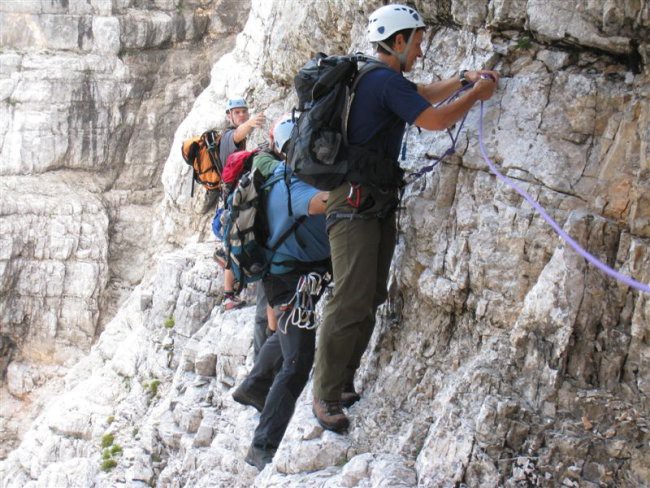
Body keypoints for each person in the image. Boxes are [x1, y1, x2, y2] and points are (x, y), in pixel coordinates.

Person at [311, 4, 499, 432]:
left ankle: (341, 383)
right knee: (349, 299)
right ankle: (324, 394)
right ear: (398, 41)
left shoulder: (381, 81)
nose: (420, 49)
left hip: (369, 202)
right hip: (356, 205)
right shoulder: (383, 81)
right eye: (416, 41)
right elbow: (432, 119)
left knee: (371, 293)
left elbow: (420, 95)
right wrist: (474, 96)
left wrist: (461, 80)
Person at [231, 115, 331, 470]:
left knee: (284, 334)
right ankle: (262, 445)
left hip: (289, 276)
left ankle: (255, 384)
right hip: (291, 281)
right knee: (298, 362)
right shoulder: (294, 183)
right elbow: (324, 203)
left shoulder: (276, 176)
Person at [217, 98, 266, 311]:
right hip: (233, 198)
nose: (242, 115)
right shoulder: (228, 137)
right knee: (234, 242)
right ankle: (229, 296)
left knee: (238, 238)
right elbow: (238, 135)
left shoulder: (241, 137)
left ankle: (234, 286)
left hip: (240, 195)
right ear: (229, 116)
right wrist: (252, 122)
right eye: (237, 112)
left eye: (244, 112)